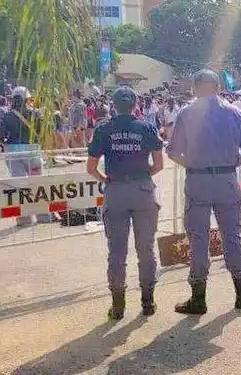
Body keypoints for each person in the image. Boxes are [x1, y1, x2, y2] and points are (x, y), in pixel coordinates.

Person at [167, 69, 241, 315]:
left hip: (197, 181)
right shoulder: (235, 113)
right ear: (218, 88)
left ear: (195, 88)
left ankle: (198, 298)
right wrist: (229, 165)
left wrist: (194, 165)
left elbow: (173, 152)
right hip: (227, 180)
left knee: (198, 238)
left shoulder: (186, 114)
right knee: (232, 236)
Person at [87, 87, 164, 320]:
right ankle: (148, 301)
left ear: (113, 105)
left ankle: (118, 305)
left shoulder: (104, 130)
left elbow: (91, 168)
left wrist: (105, 179)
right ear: (135, 105)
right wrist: (143, 174)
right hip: (143, 191)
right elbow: (159, 164)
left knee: (117, 251)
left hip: (116, 192)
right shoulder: (146, 127)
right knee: (146, 248)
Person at [1, 87, 52, 227]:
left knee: (19, 185)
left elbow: (1, 136)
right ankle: (43, 216)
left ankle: (24, 219)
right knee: (37, 183)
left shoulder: (7, 116)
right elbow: (42, 132)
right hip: (32, 151)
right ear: (27, 99)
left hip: (12, 152)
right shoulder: (35, 114)